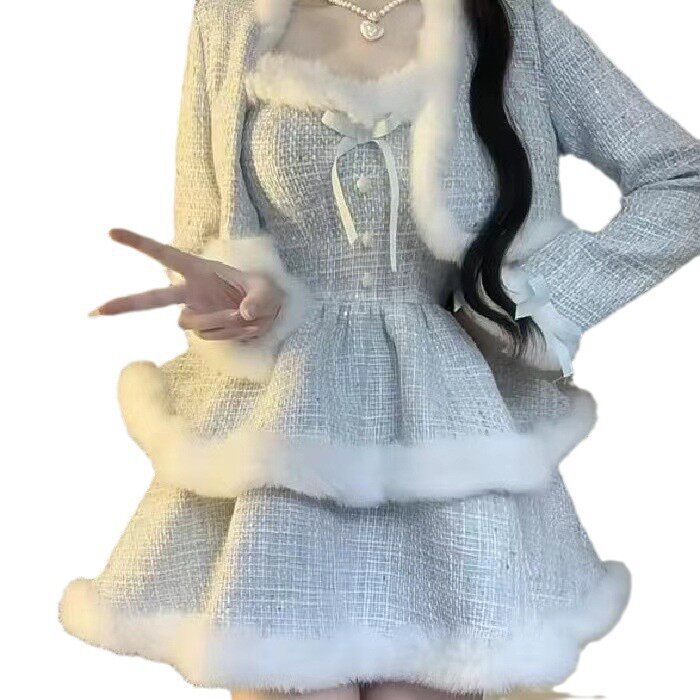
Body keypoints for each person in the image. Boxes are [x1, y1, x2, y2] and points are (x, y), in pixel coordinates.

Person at [58, 1, 699, 699]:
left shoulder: (517, 19)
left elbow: (684, 180)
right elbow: (209, 242)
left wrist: (536, 303)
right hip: (285, 431)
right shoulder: (232, 17)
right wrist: (251, 297)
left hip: (447, 426)